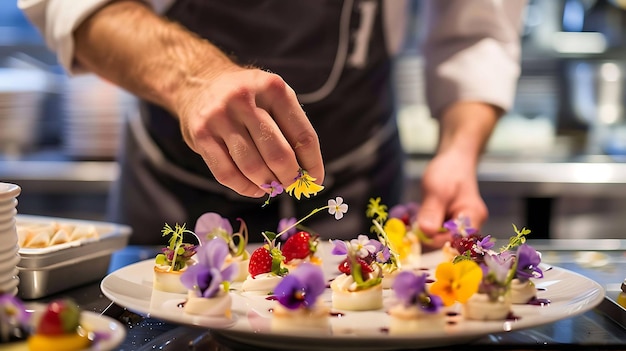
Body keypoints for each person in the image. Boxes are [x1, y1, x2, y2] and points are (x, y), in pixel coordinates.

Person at [18, 0, 527, 247]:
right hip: (173, 184)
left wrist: (458, 152)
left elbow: (476, 30)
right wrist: (195, 78)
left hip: (359, 172)